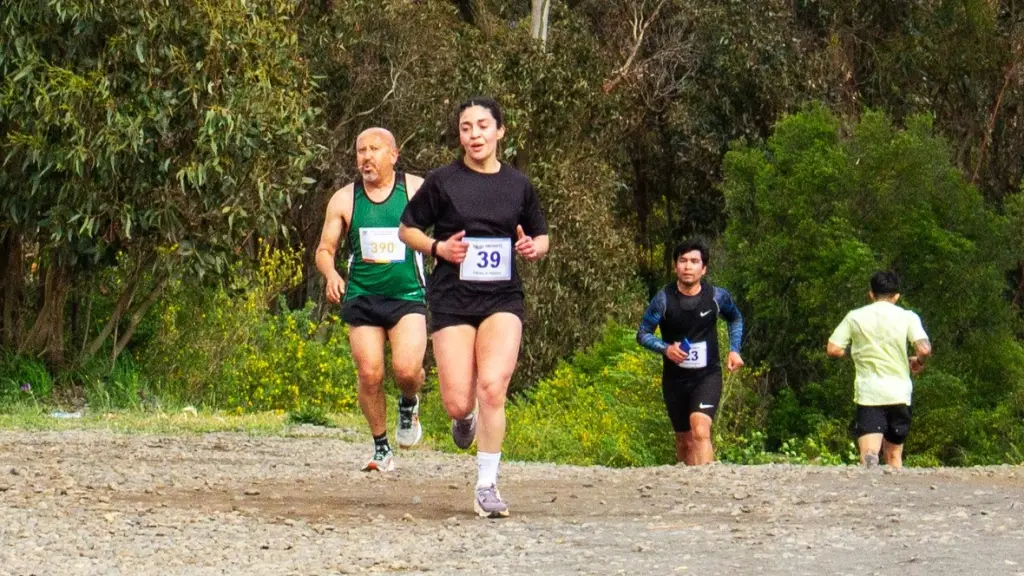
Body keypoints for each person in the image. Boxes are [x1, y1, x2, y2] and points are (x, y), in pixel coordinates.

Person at [399, 97, 549, 518]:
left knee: (493, 387)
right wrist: (437, 247)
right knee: (458, 401)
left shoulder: (518, 185)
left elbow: (541, 236)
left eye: (483, 126)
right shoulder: (444, 181)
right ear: (460, 135)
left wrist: (532, 247)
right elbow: (406, 229)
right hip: (453, 298)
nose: (475, 135)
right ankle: (463, 421)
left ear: (500, 131)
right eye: (466, 128)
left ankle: (487, 484)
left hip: (502, 297)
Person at [315, 127, 427, 473]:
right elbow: (324, 249)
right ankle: (381, 447)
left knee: (407, 371)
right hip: (363, 295)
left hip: (407, 294)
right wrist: (331, 274)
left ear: (393, 155)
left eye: (374, 149)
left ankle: (409, 403)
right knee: (370, 374)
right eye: (360, 150)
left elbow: (450, 222)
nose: (366, 156)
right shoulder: (345, 199)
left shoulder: (415, 189)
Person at [636, 237, 744, 465]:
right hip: (675, 379)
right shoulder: (663, 300)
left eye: (694, 261)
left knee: (700, 431)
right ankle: (686, 489)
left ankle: (705, 486)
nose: (688, 266)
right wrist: (666, 349)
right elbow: (643, 333)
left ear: (703, 269)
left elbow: (735, 318)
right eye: (683, 261)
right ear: (675, 266)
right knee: (684, 441)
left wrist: (734, 350)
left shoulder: (716, 297)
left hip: (707, 376)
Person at [827, 271, 931, 470]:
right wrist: (919, 361)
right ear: (897, 296)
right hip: (899, 393)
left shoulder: (855, 317)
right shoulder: (907, 317)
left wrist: (854, 353)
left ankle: (870, 482)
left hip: (869, 393)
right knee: (893, 455)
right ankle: (895, 494)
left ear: (871, 294)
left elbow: (833, 348)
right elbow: (924, 348)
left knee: (869, 455)